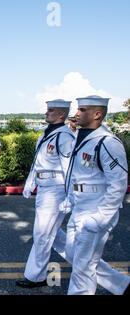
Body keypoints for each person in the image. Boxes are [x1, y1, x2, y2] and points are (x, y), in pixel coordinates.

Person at [61, 95, 130, 295]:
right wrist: (70, 199)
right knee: (76, 256)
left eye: (82, 110)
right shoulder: (82, 137)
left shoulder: (108, 142)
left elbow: (118, 184)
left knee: (83, 266)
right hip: (79, 207)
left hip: (96, 209)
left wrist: (101, 217)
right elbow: (79, 174)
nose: (76, 113)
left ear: (97, 114)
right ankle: (122, 285)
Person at [16, 99, 75, 288]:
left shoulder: (65, 137)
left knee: (42, 233)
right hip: (44, 188)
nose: (46, 113)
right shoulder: (46, 134)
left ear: (61, 115)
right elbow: (37, 162)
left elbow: (70, 170)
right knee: (52, 234)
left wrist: (69, 196)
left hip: (55, 190)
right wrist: (30, 183)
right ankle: (89, 265)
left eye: (50, 110)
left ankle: (36, 276)